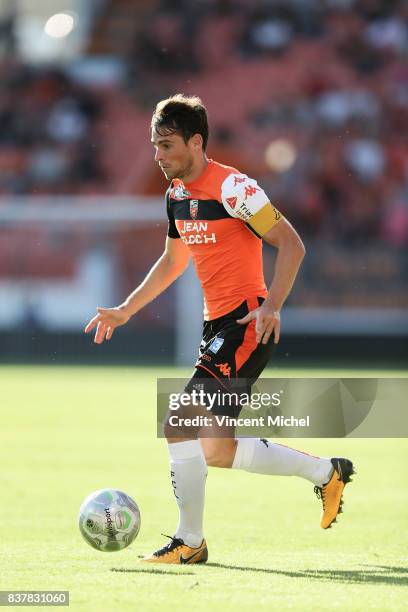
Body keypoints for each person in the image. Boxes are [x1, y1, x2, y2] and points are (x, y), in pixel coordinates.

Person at [85, 94, 354, 564]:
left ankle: (190, 542)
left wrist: (272, 305)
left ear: (196, 141)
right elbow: (173, 261)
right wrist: (127, 309)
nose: (159, 156)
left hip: (247, 323)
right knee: (215, 451)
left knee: (178, 422)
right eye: (155, 145)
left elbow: (292, 245)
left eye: (167, 146)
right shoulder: (176, 197)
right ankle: (325, 472)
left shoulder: (235, 188)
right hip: (217, 329)